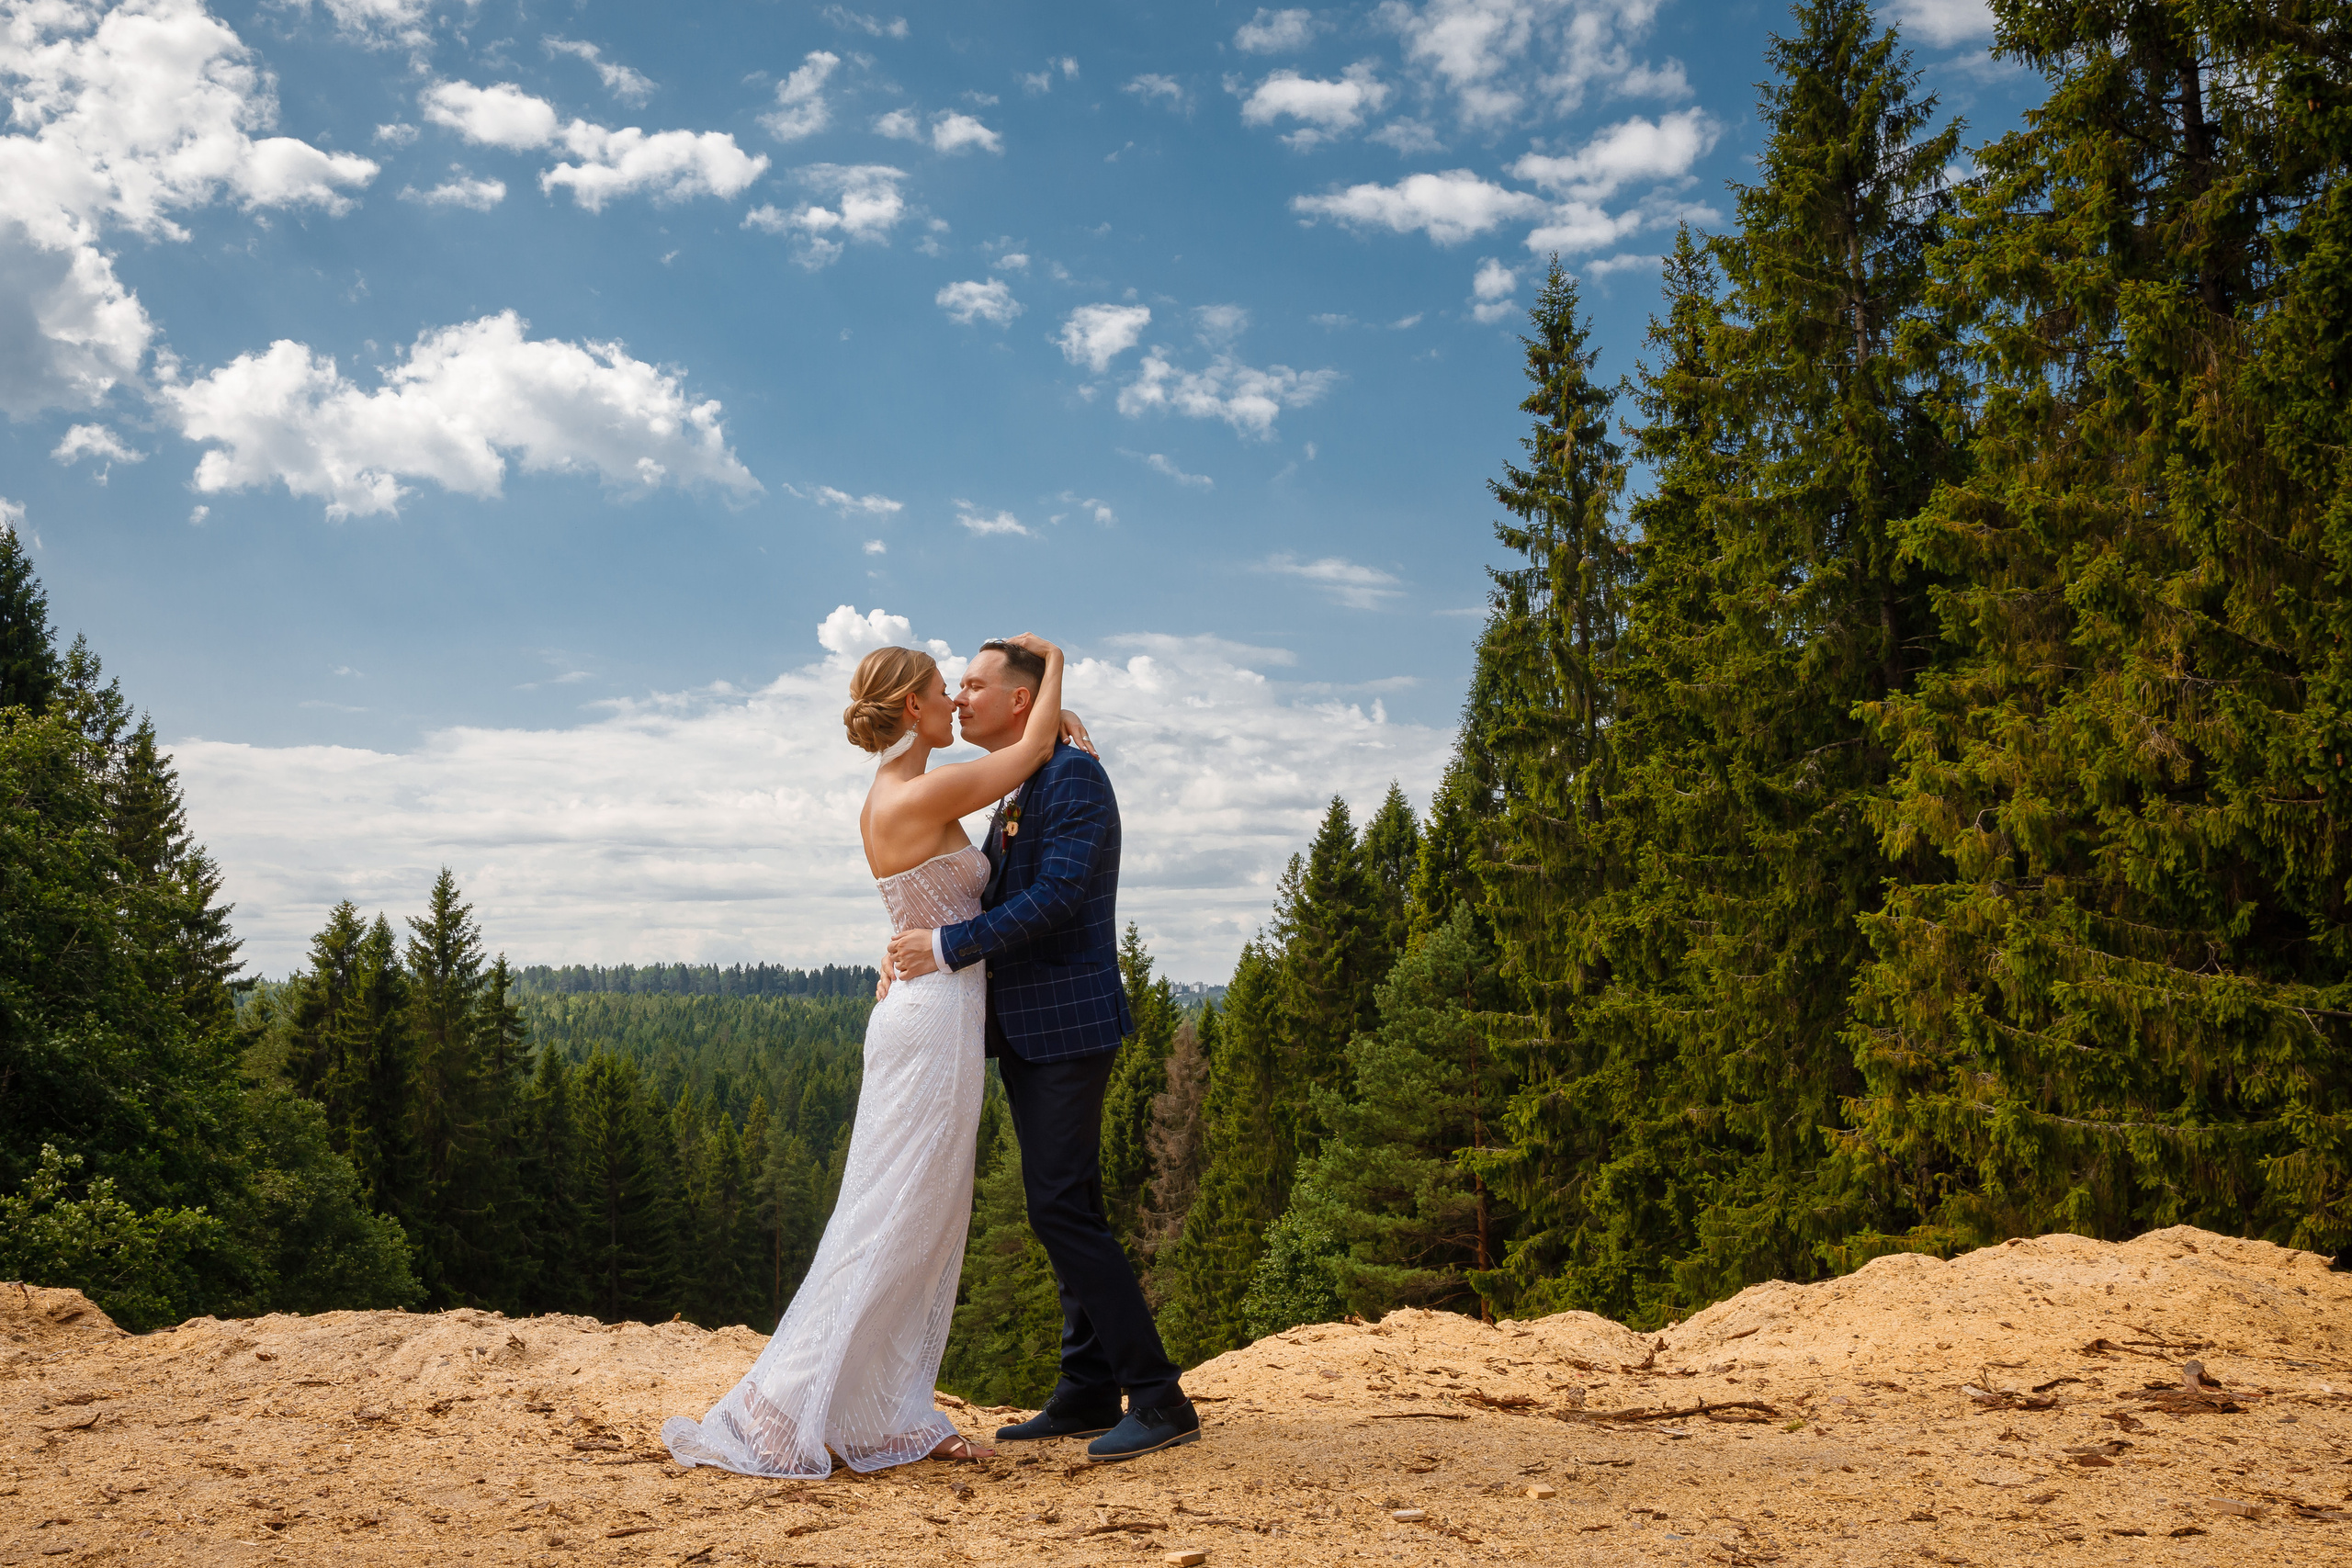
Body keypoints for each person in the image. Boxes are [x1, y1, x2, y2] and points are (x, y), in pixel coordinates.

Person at [661, 633, 1076, 1478]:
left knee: (911, 1219)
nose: (959, 702)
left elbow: (927, 895)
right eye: (944, 690)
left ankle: (878, 1407)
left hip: (932, 1014)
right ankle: (785, 1408)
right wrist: (1056, 673)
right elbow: (1032, 749)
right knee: (890, 1219)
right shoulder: (918, 790)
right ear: (914, 709)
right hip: (928, 1025)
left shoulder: (901, 789)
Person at [885, 637, 1200, 1462]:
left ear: (1019, 701)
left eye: (975, 685)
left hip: (1068, 1025)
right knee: (1069, 1203)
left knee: (1060, 1205)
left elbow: (1057, 899)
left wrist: (947, 948)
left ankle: (1160, 1395)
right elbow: (986, 882)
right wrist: (910, 954)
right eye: (954, 687)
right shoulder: (1029, 778)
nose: (960, 699)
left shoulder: (1074, 777)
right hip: (1028, 1027)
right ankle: (1088, 1386)